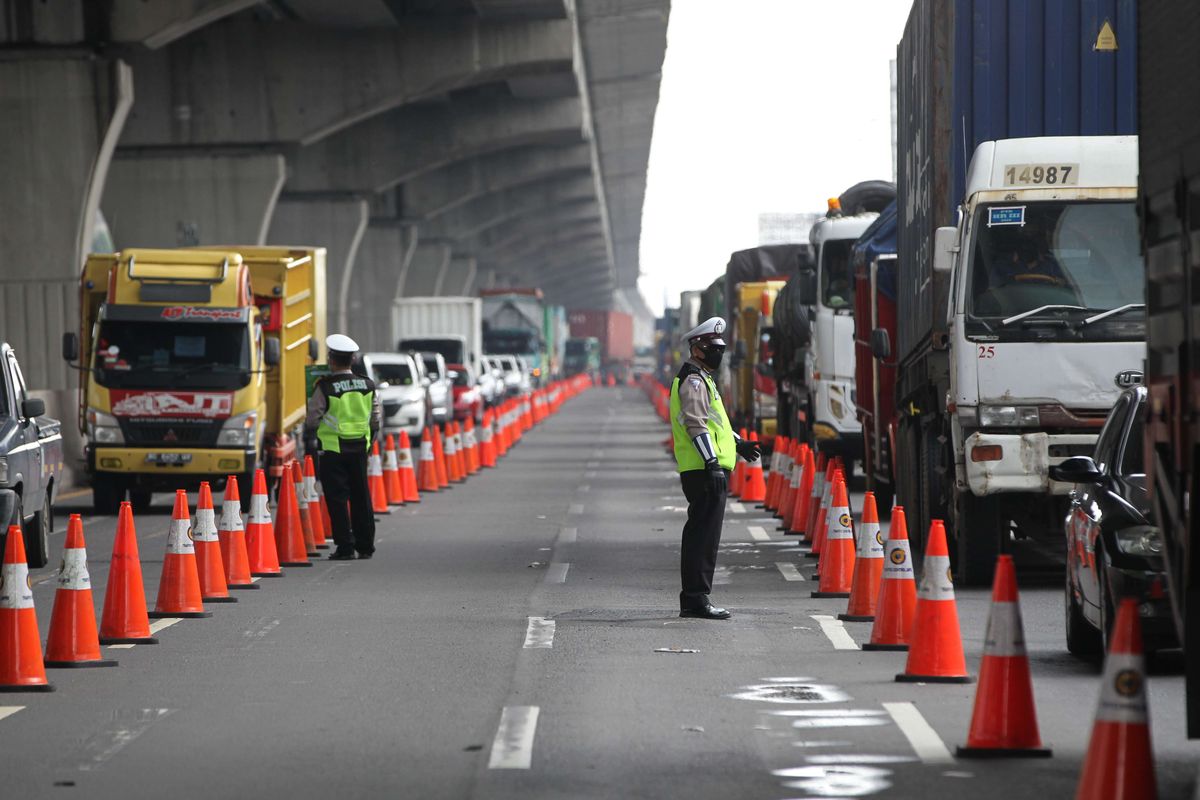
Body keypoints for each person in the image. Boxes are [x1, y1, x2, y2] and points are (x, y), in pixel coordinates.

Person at [670, 317, 761, 619]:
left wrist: (738, 443)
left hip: (704, 468)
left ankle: (696, 597)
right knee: (702, 538)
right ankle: (696, 598)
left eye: (720, 348)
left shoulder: (703, 378)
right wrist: (712, 463)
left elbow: (713, 422)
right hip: (701, 470)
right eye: (713, 348)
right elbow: (696, 425)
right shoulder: (694, 381)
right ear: (697, 349)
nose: (718, 353)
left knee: (704, 536)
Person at [305, 334, 383, 560]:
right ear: (353, 359)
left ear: (331, 360)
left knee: (338, 499)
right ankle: (366, 546)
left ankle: (345, 547)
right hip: (360, 447)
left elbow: (312, 419)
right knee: (361, 496)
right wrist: (370, 441)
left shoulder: (325, 387)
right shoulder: (367, 385)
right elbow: (375, 418)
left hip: (333, 449)